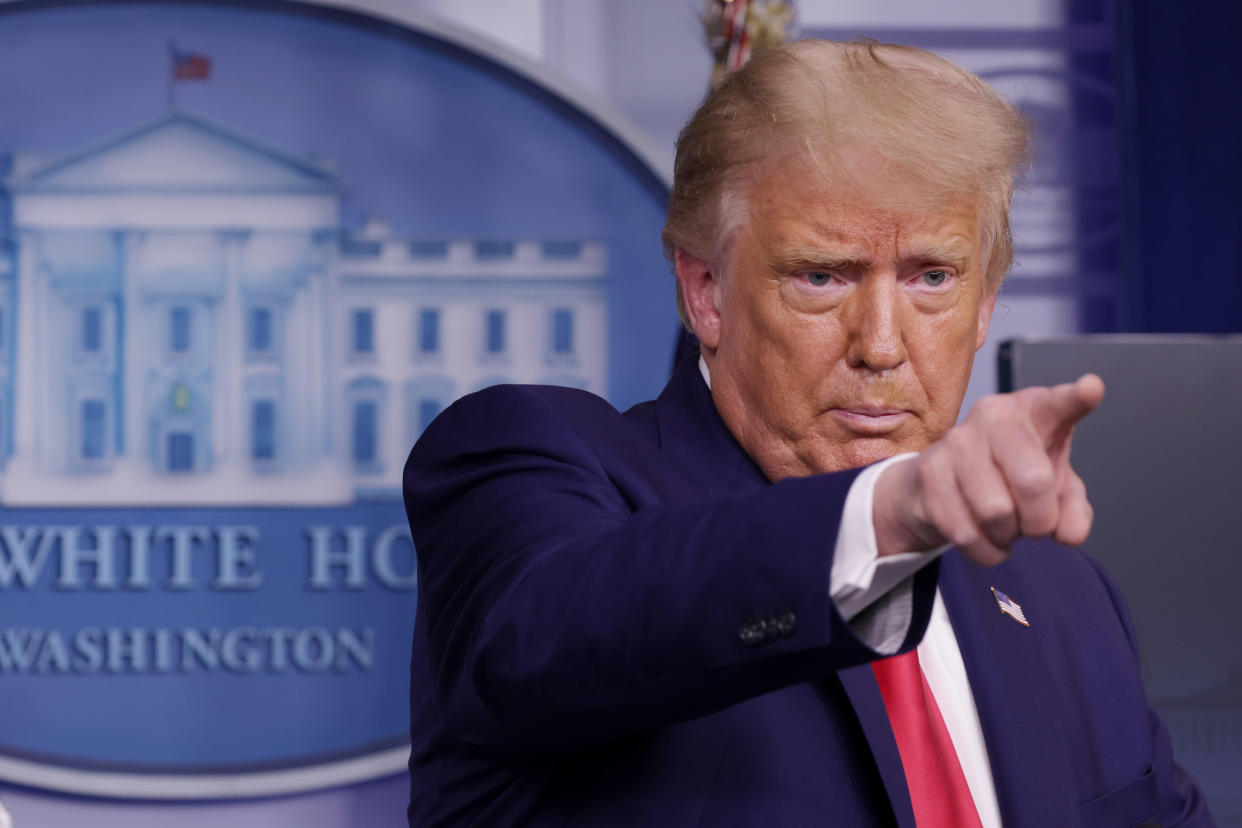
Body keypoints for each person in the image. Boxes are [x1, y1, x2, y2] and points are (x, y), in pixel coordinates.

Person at [403, 39, 1212, 827]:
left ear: (986, 307)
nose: (883, 346)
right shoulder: (529, 458)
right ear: (706, 292)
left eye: (932, 278)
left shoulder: (1067, 597)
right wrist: (891, 512)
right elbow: (553, 636)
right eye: (822, 277)